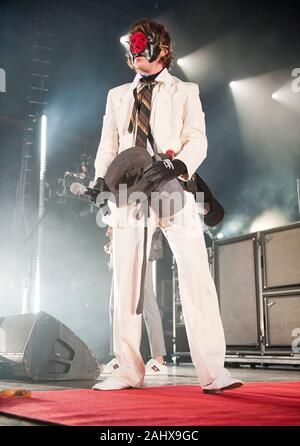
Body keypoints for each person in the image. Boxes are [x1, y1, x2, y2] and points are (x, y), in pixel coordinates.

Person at [92, 18, 243, 393]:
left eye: (143, 44)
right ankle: (128, 369)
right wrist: (101, 183)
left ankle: (213, 372)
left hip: (172, 186)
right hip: (131, 193)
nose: (135, 51)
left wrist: (177, 164)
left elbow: (197, 140)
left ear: (161, 48)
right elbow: (108, 147)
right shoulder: (117, 96)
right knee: (126, 280)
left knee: (195, 274)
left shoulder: (185, 91)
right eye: (132, 46)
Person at [103, 227, 168, 376]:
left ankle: (159, 360)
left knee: (147, 302)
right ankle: (120, 358)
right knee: (115, 304)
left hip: (141, 240)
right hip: (123, 242)